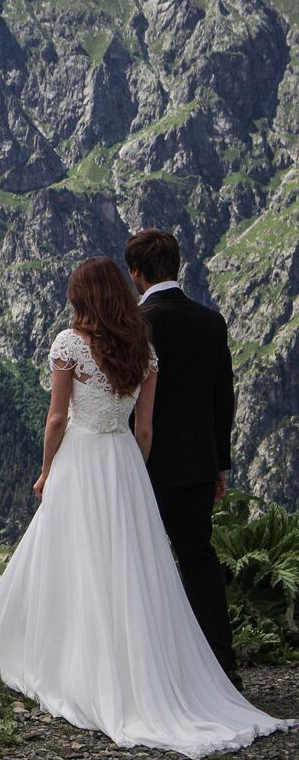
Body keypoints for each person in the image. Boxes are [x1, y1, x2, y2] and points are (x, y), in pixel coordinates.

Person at [0, 256, 292, 757]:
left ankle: (71, 662)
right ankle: (139, 667)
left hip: (81, 458)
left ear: (83, 298)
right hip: (122, 459)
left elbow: (56, 419)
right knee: (130, 568)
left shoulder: (69, 344)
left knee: (73, 556)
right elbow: (145, 429)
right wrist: (132, 471)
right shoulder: (143, 348)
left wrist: (47, 469)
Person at [125, 228, 239, 686]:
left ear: (136, 273)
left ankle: (154, 668)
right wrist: (220, 464)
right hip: (196, 463)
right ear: (177, 266)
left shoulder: (137, 326)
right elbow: (222, 399)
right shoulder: (211, 321)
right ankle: (221, 664)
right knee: (198, 559)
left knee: (142, 563)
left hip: (143, 465)